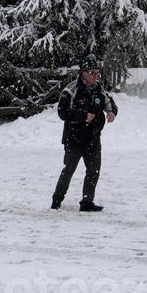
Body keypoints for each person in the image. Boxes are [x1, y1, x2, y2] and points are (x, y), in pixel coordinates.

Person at [51, 55, 118, 212]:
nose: (95, 76)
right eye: (92, 72)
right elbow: (62, 112)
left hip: (93, 138)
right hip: (74, 138)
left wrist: (111, 112)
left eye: (97, 72)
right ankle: (56, 201)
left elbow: (110, 103)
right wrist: (82, 116)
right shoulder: (71, 90)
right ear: (84, 73)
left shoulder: (99, 89)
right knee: (68, 170)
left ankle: (87, 201)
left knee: (93, 171)